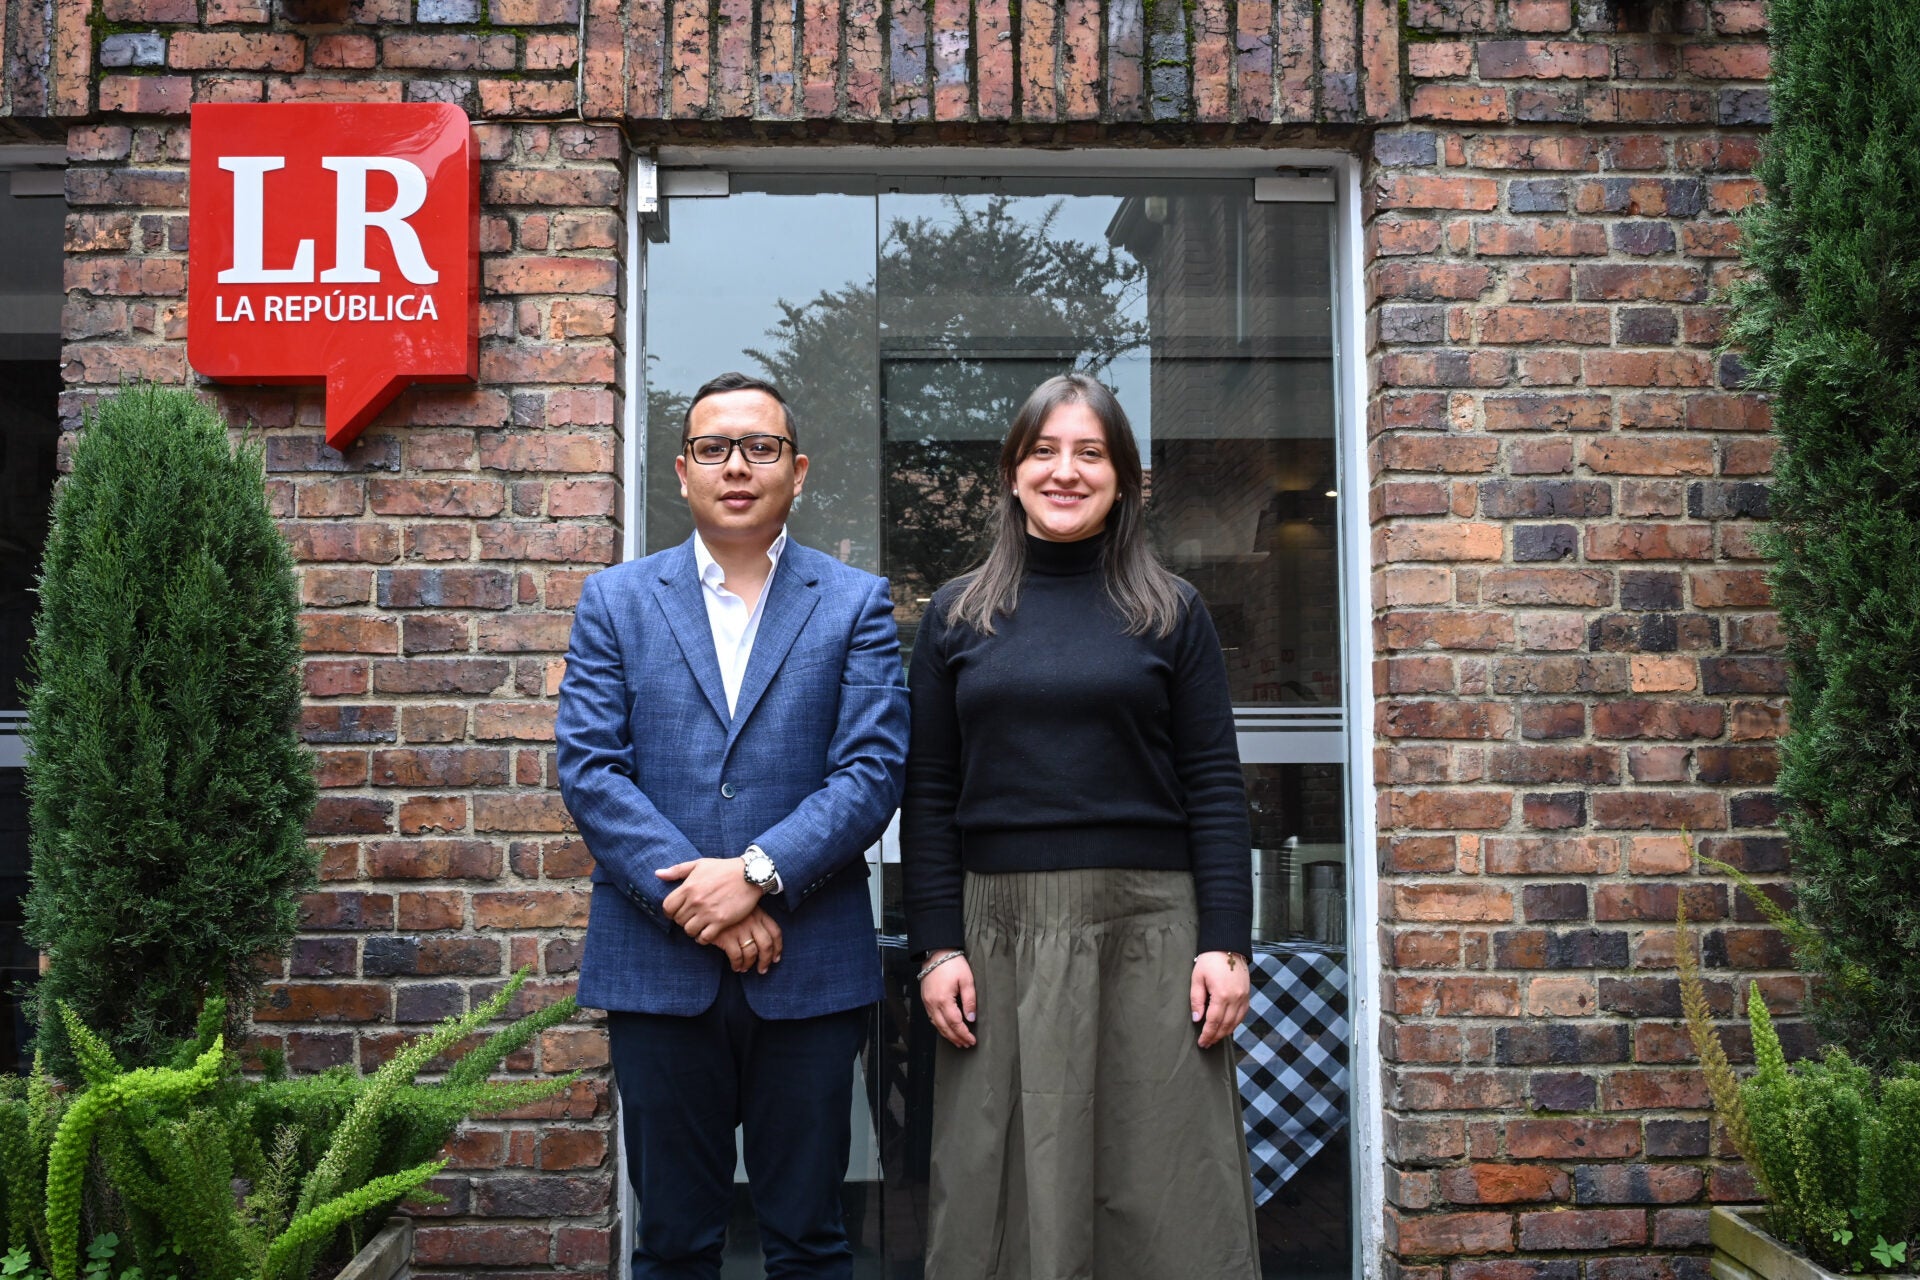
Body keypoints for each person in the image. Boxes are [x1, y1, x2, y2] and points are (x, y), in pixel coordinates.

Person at [902, 372, 1260, 1280]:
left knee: (1163, 1184)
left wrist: (1227, 942)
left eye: (1090, 454)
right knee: (1002, 1180)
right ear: (1012, 473)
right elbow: (929, 791)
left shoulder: (1171, 611)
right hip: (999, 937)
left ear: (1124, 478)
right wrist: (936, 948)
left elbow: (1215, 784)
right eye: (1045, 452)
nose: (1066, 472)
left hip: (1151, 931)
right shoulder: (956, 614)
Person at [556, 371, 909, 1280]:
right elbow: (591, 771)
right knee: (672, 1244)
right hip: (657, 967)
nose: (737, 466)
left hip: (810, 967)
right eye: (714, 449)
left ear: (798, 469)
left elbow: (871, 773)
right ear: (683, 472)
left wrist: (752, 873)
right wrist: (701, 900)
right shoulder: (616, 600)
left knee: (811, 1242)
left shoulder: (855, 602)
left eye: (760, 447)